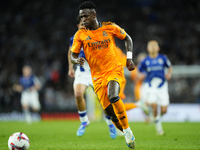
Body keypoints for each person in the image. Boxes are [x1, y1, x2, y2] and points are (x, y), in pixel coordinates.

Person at [71, 1, 135, 149]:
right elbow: (72, 55)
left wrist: (129, 58)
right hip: (97, 77)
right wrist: (76, 60)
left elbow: (128, 38)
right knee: (111, 115)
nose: (83, 20)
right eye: (81, 17)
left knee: (113, 96)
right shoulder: (80, 35)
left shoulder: (110, 27)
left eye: (86, 16)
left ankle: (127, 129)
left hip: (114, 70)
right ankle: (125, 130)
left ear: (94, 15)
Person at [68, 17, 117, 139]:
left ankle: (110, 123)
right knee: (78, 94)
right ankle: (84, 121)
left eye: (86, 24)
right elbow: (71, 52)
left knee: (103, 100)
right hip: (82, 71)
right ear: (78, 26)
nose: (84, 26)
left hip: (97, 71)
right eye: (82, 24)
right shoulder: (74, 38)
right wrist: (70, 67)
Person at [137, 40, 172, 135]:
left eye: (154, 45)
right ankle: (159, 129)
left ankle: (154, 118)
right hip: (150, 86)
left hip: (162, 86)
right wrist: (140, 76)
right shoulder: (145, 61)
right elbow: (138, 72)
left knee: (164, 110)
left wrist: (169, 74)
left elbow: (169, 67)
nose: (152, 47)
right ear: (147, 49)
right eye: (150, 46)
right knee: (155, 106)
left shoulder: (163, 58)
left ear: (158, 48)